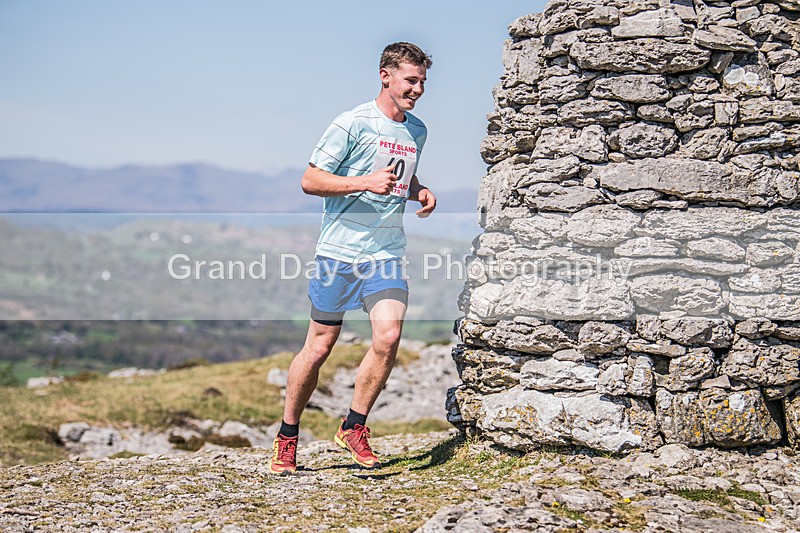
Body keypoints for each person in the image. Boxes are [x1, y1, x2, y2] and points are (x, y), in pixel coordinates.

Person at [269, 42, 437, 474]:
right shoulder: (351, 122)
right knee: (320, 347)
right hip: (338, 254)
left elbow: (402, 173)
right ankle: (288, 435)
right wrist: (363, 182)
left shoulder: (416, 130)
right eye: (410, 80)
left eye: (422, 82)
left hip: (385, 252)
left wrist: (418, 189)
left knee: (388, 336)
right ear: (385, 76)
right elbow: (310, 180)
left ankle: (353, 426)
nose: (417, 89)